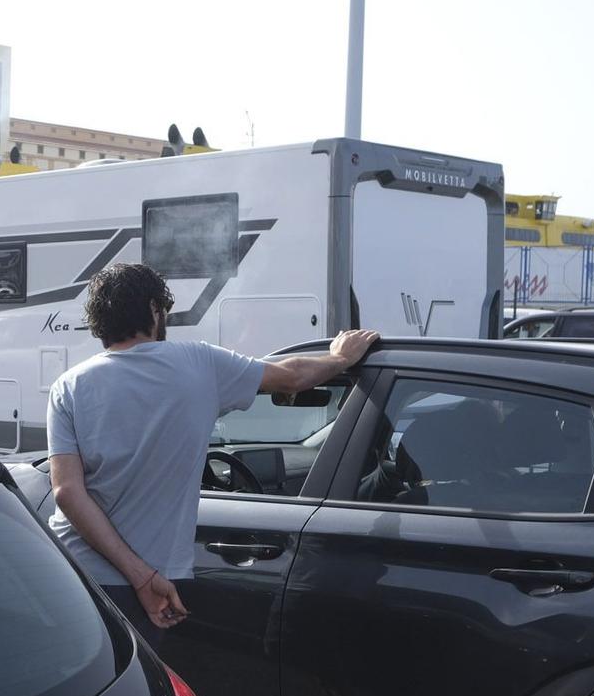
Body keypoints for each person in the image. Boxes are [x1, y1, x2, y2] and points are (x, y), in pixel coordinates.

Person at [47, 263, 377, 640]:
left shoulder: (68, 386)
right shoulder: (199, 363)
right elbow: (293, 376)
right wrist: (340, 358)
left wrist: (138, 577)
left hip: (72, 570)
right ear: (155, 310)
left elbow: (67, 493)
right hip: (155, 580)